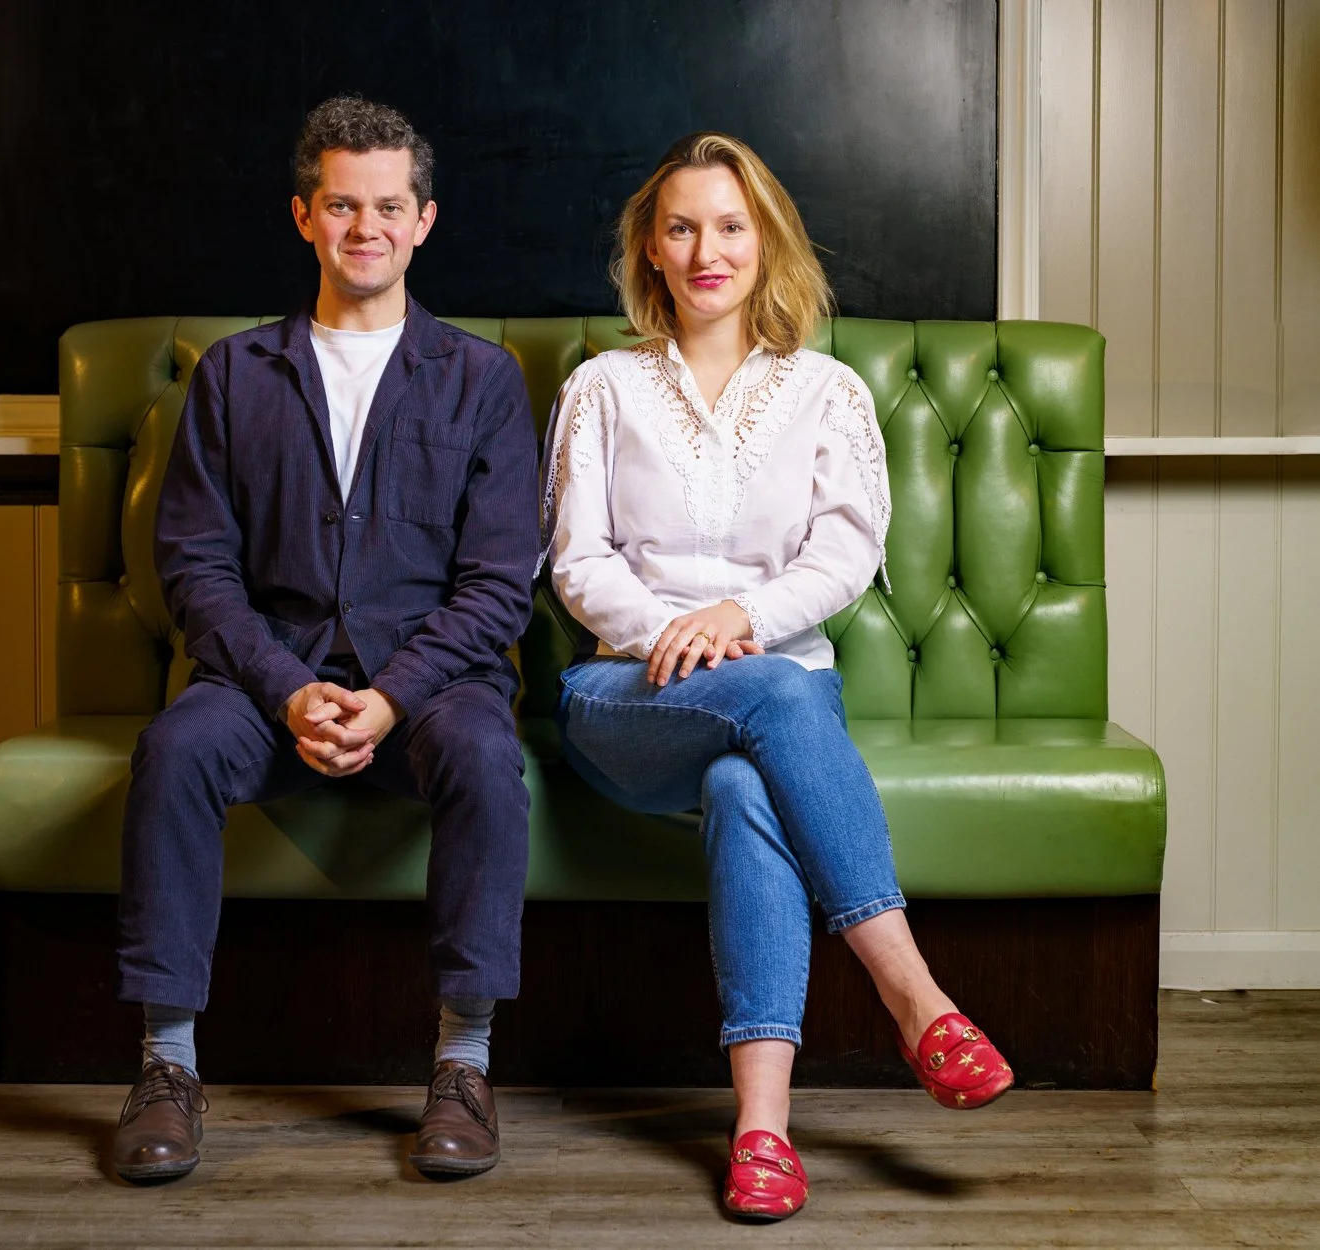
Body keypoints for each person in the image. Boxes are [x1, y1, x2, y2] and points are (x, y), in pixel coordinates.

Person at [541, 132, 1013, 1221]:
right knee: (785, 693)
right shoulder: (602, 387)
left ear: (767, 242)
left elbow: (844, 556)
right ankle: (915, 995)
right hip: (628, 698)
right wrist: (683, 633)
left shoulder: (829, 392)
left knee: (753, 779)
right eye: (681, 227)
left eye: (731, 225)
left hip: (775, 697)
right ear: (649, 251)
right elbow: (578, 561)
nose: (707, 249)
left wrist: (742, 616)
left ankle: (762, 1133)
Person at [111, 96, 539, 1184]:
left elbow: (497, 587)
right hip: (267, 681)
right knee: (172, 749)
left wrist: (389, 697)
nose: (366, 227)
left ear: (423, 221)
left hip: (433, 691)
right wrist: (289, 687)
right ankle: (166, 1066)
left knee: (492, 756)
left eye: (388, 206)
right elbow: (196, 570)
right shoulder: (232, 376)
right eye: (342, 205)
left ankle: (463, 1065)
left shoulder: (483, 380)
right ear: (304, 215)